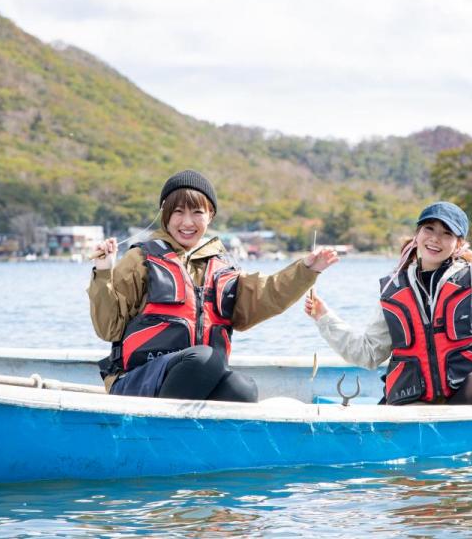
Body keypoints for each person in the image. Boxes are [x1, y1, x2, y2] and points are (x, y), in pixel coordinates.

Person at [88, 169, 338, 402]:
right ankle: (162, 433)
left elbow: (267, 294)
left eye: (197, 212)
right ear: (165, 215)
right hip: (139, 380)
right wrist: (103, 270)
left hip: (199, 375)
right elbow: (108, 329)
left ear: (211, 216)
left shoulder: (223, 266)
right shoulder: (139, 259)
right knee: (205, 358)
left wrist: (307, 269)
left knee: (243, 390)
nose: (187, 222)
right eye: (178, 212)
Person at [305, 169, 472, 405]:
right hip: (412, 407)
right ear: (417, 235)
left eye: (446, 233)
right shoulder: (393, 290)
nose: (435, 239)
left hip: (464, 405)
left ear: (458, 244)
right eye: (429, 229)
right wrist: (323, 317)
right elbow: (368, 354)